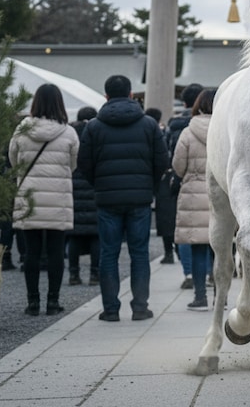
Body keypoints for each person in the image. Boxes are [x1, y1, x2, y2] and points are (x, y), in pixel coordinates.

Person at [79, 74, 168, 322]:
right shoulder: (149, 124)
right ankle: (140, 307)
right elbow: (162, 161)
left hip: (107, 198)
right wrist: (148, 185)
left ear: (105, 96)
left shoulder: (94, 126)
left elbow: (83, 164)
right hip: (139, 198)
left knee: (109, 253)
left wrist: (99, 184)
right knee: (139, 253)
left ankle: (110, 309)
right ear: (131, 95)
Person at [9, 84, 80, 316]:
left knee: (31, 252)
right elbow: (73, 165)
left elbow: (13, 160)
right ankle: (52, 301)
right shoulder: (68, 132)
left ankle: (32, 303)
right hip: (57, 195)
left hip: (28, 195)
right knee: (56, 251)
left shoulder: (22, 130)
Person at [172, 89, 216, 310]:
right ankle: (222, 297)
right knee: (221, 248)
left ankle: (200, 297)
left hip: (193, 192)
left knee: (198, 247)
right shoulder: (226, 131)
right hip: (222, 193)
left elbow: (178, 167)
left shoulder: (188, 133)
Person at [163, 83, 204, 287]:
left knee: (189, 230)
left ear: (186, 102)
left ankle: (189, 273)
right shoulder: (221, 125)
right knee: (215, 230)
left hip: (189, 183)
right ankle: (212, 272)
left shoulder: (177, 125)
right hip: (217, 185)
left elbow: (174, 159)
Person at [68, 106, 100, 286]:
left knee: (74, 235)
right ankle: (95, 274)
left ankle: (74, 274)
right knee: (96, 235)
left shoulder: (71, 133)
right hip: (94, 187)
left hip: (73, 188)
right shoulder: (97, 132)